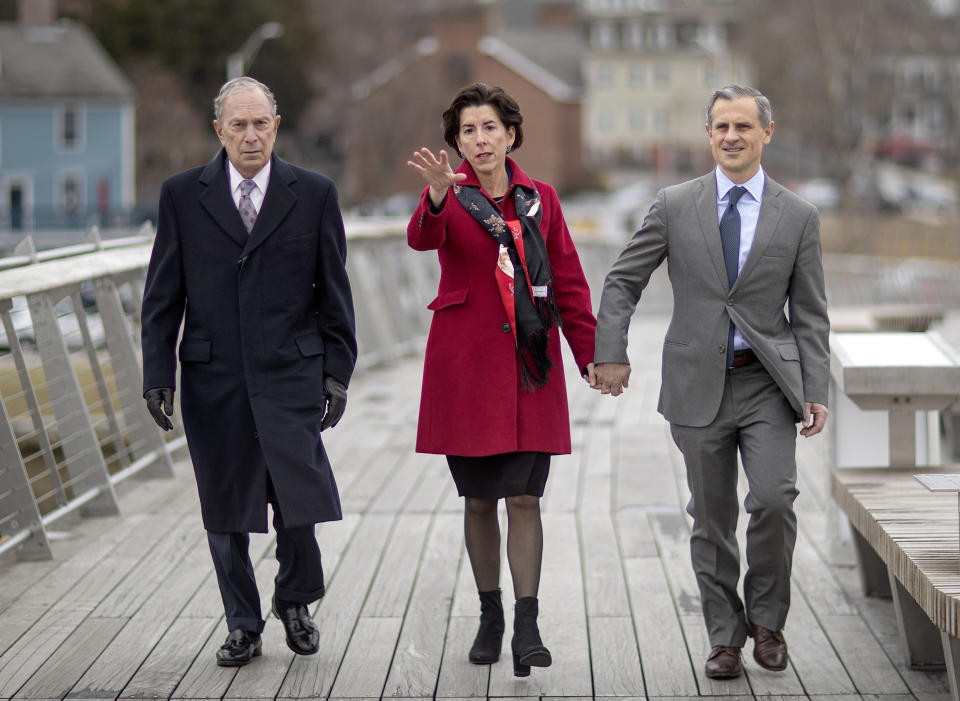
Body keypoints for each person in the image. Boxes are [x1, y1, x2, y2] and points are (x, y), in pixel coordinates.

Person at [593, 85, 830, 680]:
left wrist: (815, 386)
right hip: (697, 383)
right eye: (721, 126)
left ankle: (768, 623)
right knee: (712, 516)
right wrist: (612, 353)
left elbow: (810, 313)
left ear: (765, 133)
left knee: (775, 500)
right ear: (708, 135)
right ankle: (725, 637)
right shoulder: (674, 204)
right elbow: (622, 280)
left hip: (768, 384)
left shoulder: (797, 216)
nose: (731, 136)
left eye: (743, 127)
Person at [140, 77, 357, 667]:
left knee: (298, 496)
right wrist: (157, 373)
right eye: (238, 125)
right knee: (224, 506)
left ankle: (294, 598)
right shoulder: (182, 195)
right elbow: (163, 295)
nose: (251, 135)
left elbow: (335, 293)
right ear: (219, 131)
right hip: (214, 378)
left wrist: (337, 371)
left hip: (292, 371)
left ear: (276, 126)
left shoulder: (313, 194)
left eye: (260, 123)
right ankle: (242, 623)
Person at [406, 82, 597, 677]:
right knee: (480, 498)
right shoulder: (449, 196)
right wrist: (436, 198)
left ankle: (527, 623)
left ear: (511, 134)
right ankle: (490, 614)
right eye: (468, 130)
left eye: (489, 127)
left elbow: (567, 280)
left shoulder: (541, 199)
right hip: (465, 372)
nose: (480, 139)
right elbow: (422, 237)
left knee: (525, 496)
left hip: (529, 371)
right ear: (456, 142)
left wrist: (591, 353)